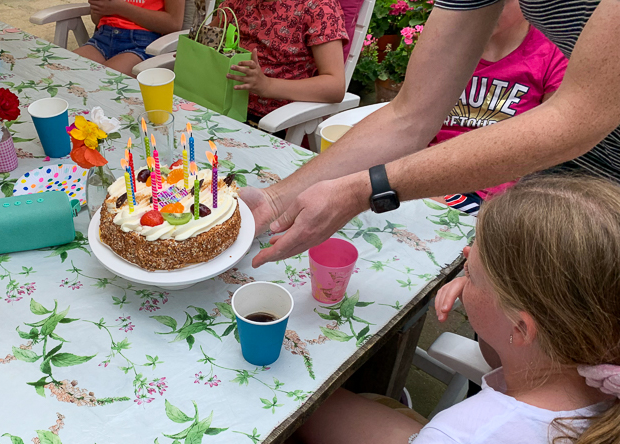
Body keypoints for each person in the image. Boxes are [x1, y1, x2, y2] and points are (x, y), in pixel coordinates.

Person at [207, 176, 620, 444]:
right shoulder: (597, 362)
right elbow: (510, 380)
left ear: (521, 328)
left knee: (250, 442)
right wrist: (487, 311)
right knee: (309, 402)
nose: (464, 257)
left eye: (473, 272)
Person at [241, 0, 620, 267]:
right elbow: (410, 115)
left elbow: (575, 118)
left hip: (589, 190)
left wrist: (363, 188)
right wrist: (275, 200)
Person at [429, 0, 567, 214]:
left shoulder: (551, 54)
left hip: (498, 193)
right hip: (430, 174)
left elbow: (551, 148)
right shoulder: (448, 43)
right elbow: (414, 120)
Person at [217, 0, 348, 125]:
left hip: (270, 120)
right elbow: (206, 37)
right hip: (218, 103)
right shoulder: (238, 3)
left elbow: (335, 86)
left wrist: (267, 85)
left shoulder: (318, 7)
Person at [73, 0, 185, 76]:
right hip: (102, 38)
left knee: (102, 82)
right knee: (62, 72)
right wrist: (100, 6)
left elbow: (173, 24)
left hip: (142, 44)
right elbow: (97, 19)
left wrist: (120, 8)